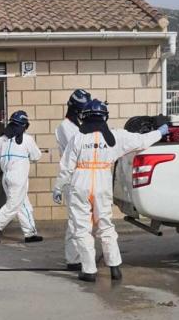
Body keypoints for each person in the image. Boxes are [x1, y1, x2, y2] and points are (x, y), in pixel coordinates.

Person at [53, 100, 168, 282]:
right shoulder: (116, 136)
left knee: (82, 228)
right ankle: (114, 267)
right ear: (104, 116)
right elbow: (141, 140)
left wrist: (58, 187)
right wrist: (160, 132)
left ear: (84, 117)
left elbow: (66, 167)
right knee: (105, 225)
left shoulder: (77, 137)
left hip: (80, 181)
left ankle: (89, 270)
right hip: (102, 181)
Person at [0, 110, 43, 244]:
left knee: (23, 204)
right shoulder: (27, 139)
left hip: (6, 177)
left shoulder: (1, 139)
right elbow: (37, 156)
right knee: (12, 207)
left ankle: (30, 233)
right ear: (24, 125)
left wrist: (8, 160)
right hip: (18, 178)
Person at [54, 89, 90, 270]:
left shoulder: (77, 125)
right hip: (72, 179)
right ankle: (73, 259)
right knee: (75, 221)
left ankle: (82, 254)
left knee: (84, 220)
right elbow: (79, 149)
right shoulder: (65, 127)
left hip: (84, 178)